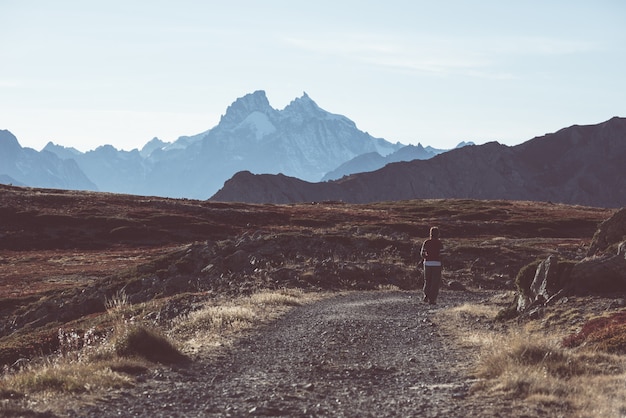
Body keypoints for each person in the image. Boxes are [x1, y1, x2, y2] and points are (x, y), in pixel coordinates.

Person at [420, 226, 443, 305]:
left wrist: (426, 258)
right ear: (438, 234)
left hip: (427, 263)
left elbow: (422, 253)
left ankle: (426, 295)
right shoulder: (439, 243)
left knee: (427, 280)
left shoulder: (426, 242)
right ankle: (432, 299)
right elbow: (442, 254)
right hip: (437, 263)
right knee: (435, 282)